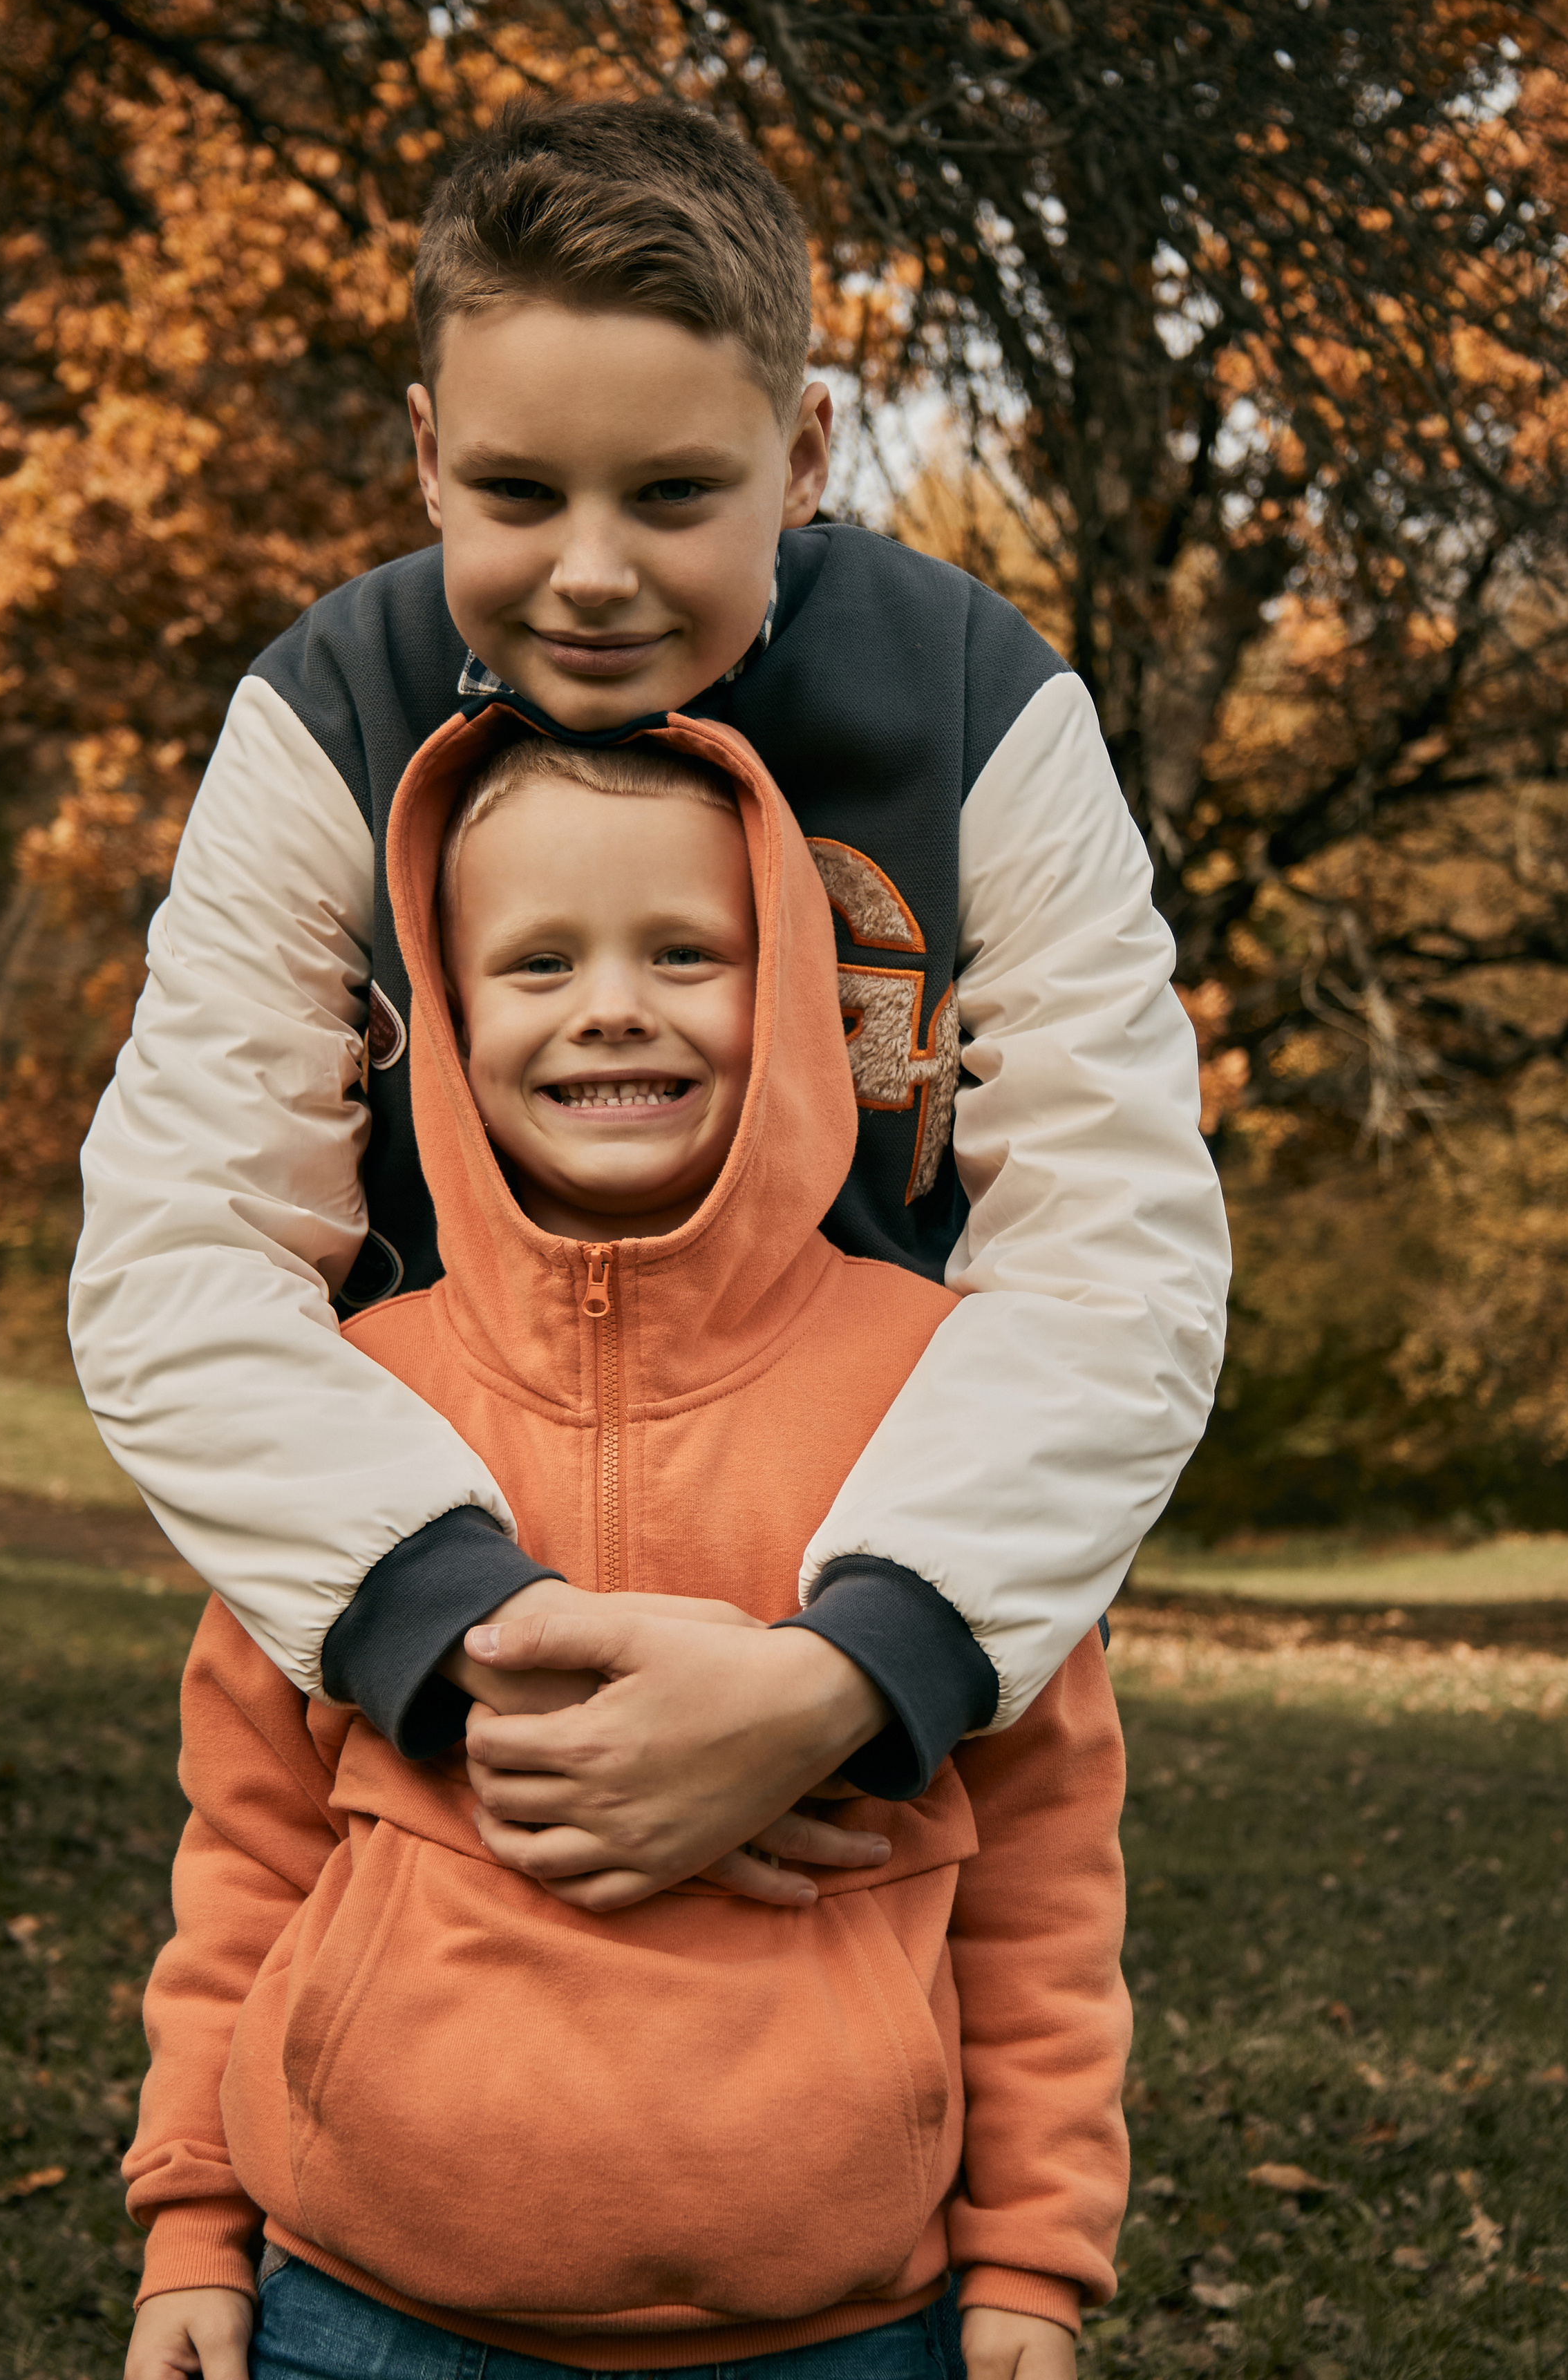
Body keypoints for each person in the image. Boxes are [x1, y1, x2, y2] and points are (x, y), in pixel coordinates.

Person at [70, 95, 1230, 1903]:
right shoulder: (324, 719)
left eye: (678, 495)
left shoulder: (982, 711)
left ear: (810, 445)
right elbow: (177, 1255)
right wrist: (485, 1649)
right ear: (429, 456)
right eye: (522, 494)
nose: (592, 573)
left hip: (858, 1618)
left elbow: (1118, 1257)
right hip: (445, 1647)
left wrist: (838, 1675)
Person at [122, 721, 1132, 2380]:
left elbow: (1037, 1876)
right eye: (536, 962)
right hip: (360, 2308)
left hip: (834, 2328)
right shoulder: (347, 1408)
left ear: (797, 992)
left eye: (686, 953)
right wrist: (193, 2223)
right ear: (441, 1018)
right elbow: (246, 1844)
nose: (611, 1003)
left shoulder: (950, 1407)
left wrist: (1027, 2261)